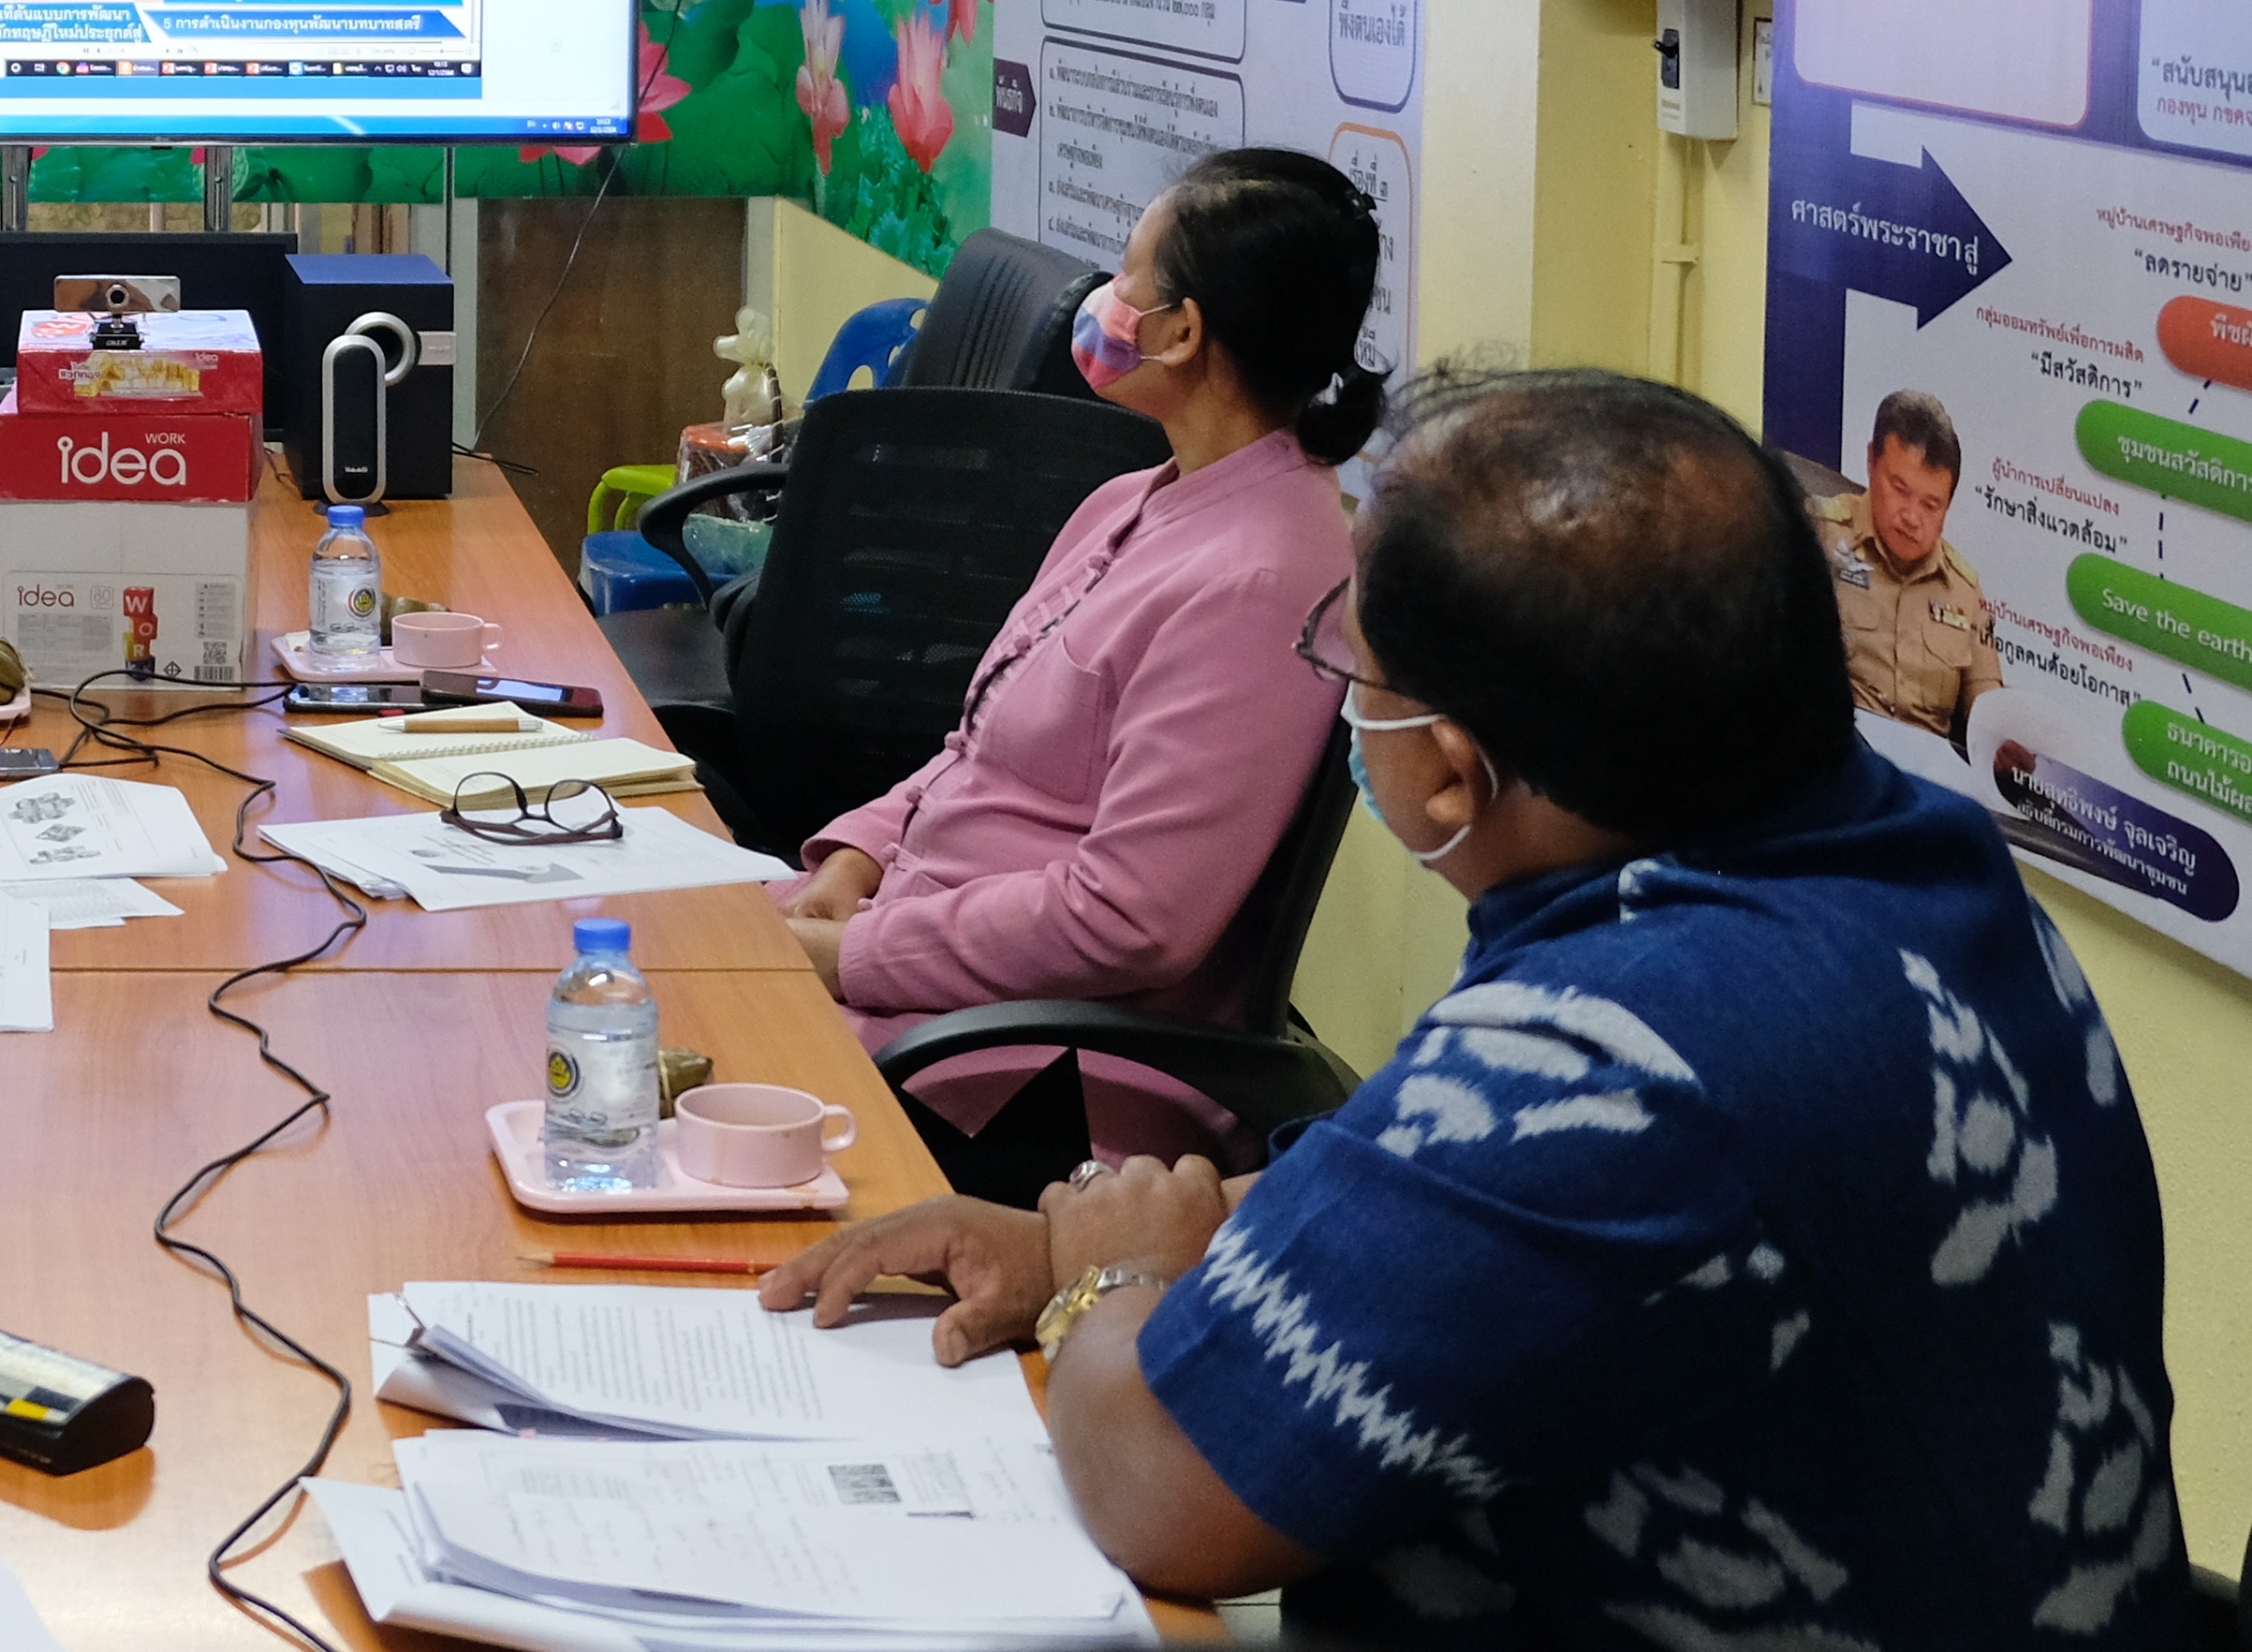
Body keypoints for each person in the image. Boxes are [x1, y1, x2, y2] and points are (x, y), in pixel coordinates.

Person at [761, 368, 2191, 1648]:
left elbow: (1162, 1490)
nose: (1344, 697)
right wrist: (1062, 1241)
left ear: (1448, 767)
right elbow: (1466, 1194)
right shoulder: (1925, 870)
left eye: (1351, 665)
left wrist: (1104, 1280)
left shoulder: (1616, 1046)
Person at [773, 149, 1378, 1200]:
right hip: (910, 961)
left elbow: (1127, 919)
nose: (1104, 300)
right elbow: (976, 747)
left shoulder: (1263, 576)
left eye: (1127, 275)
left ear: (1181, 332)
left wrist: (852, 954)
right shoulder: (1131, 498)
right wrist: (854, 863)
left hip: (1021, 1062)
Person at [1816, 385, 1999, 749]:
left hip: (1924, 771)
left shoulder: (1964, 590)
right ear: (1871, 462)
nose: (1912, 517)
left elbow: (1987, 697)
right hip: (1834, 749)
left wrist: (2002, 739)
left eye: (1931, 505)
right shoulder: (1817, 535)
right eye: (1900, 489)